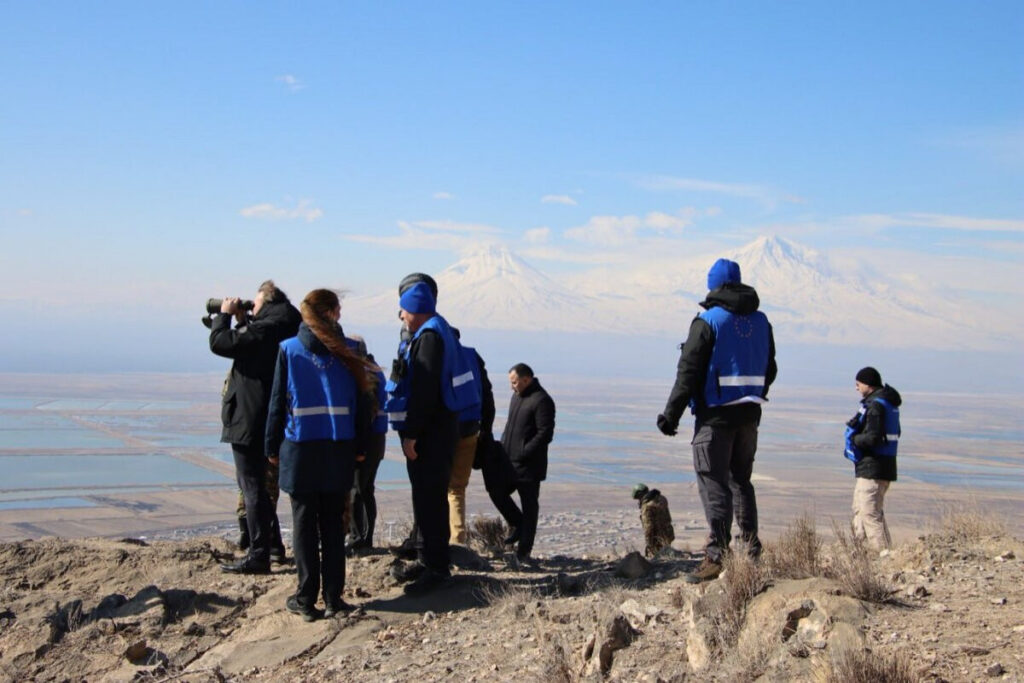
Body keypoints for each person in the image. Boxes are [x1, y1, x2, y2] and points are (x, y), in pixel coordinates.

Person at [657, 258, 777, 584]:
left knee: (714, 483)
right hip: (750, 415)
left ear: (713, 286)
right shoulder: (762, 321)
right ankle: (751, 552)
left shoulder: (708, 322)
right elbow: (771, 369)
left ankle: (716, 557)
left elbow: (688, 372)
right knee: (742, 481)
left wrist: (671, 415)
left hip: (716, 418)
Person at [265, 289, 373, 621]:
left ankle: (305, 598)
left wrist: (271, 448)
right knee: (332, 525)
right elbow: (365, 405)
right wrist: (360, 449)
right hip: (339, 450)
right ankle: (334, 599)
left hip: (300, 451)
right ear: (334, 313)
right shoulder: (349, 351)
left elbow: (277, 404)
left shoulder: (289, 350)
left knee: (303, 526)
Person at [385, 280, 479, 595]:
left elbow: (424, 392)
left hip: (431, 433)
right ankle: (429, 560)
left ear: (416, 308)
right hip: (442, 428)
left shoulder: (429, 338)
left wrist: (410, 433)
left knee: (429, 498)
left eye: (404, 309)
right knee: (429, 497)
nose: (401, 315)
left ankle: (436, 568)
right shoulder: (440, 331)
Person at [209, 280, 300, 574]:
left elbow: (221, 344)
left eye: (256, 302)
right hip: (267, 415)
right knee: (257, 486)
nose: (252, 306)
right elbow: (254, 348)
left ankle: (258, 555)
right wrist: (245, 320)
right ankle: (271, 546)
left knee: (251, 486)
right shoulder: (284, 323)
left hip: (250, 416)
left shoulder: (268, 327)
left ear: (268, 300)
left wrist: (223, 316)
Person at [493, 363, 556, 564]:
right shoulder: (517, 397)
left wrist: (524, 451)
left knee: (530, 507)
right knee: (496, 491)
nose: (512, 386)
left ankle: (524, 551)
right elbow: (510, 426)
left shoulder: (542, 400)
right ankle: (517, 524)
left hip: (529, 466)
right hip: (509, 461)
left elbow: (545, 433)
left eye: (514, 382)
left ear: (526, 379)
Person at [844, 366, 902, 550]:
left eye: (858, 384)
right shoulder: (888, 404)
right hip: (879, 466)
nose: (856, 388)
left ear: (867, 384)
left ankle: (883, 556)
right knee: (860, 510)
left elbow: (873, 438)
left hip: (873, 468)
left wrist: (854, 439)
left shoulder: (875, 406)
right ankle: (861, 554)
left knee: (870, 513)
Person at [448, 338, 494, 546]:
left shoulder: (438, 354)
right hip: (470, 428)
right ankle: (457, 539)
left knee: (436, 485)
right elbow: (487, 394)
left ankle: (435, 539)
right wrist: (485, 429)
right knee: (457, 488)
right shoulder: (472, 356)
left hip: (444, 430)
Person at [348, 337, 388, 554]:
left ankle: (360, 538)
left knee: (359, 489)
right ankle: (362, 536)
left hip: (368, 438)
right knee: (364, 488)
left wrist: (359, 445)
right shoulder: (372, 369)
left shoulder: (367, 373)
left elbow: (367, 412)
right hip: (375, 438)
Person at [632, 483, 675, 557]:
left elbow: (648, 528)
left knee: (658, 560)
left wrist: (649, 545)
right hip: (668, 534)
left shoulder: (647, 506)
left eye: (638, 498)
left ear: (640, 494)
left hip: (657, 539)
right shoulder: (661, 498)